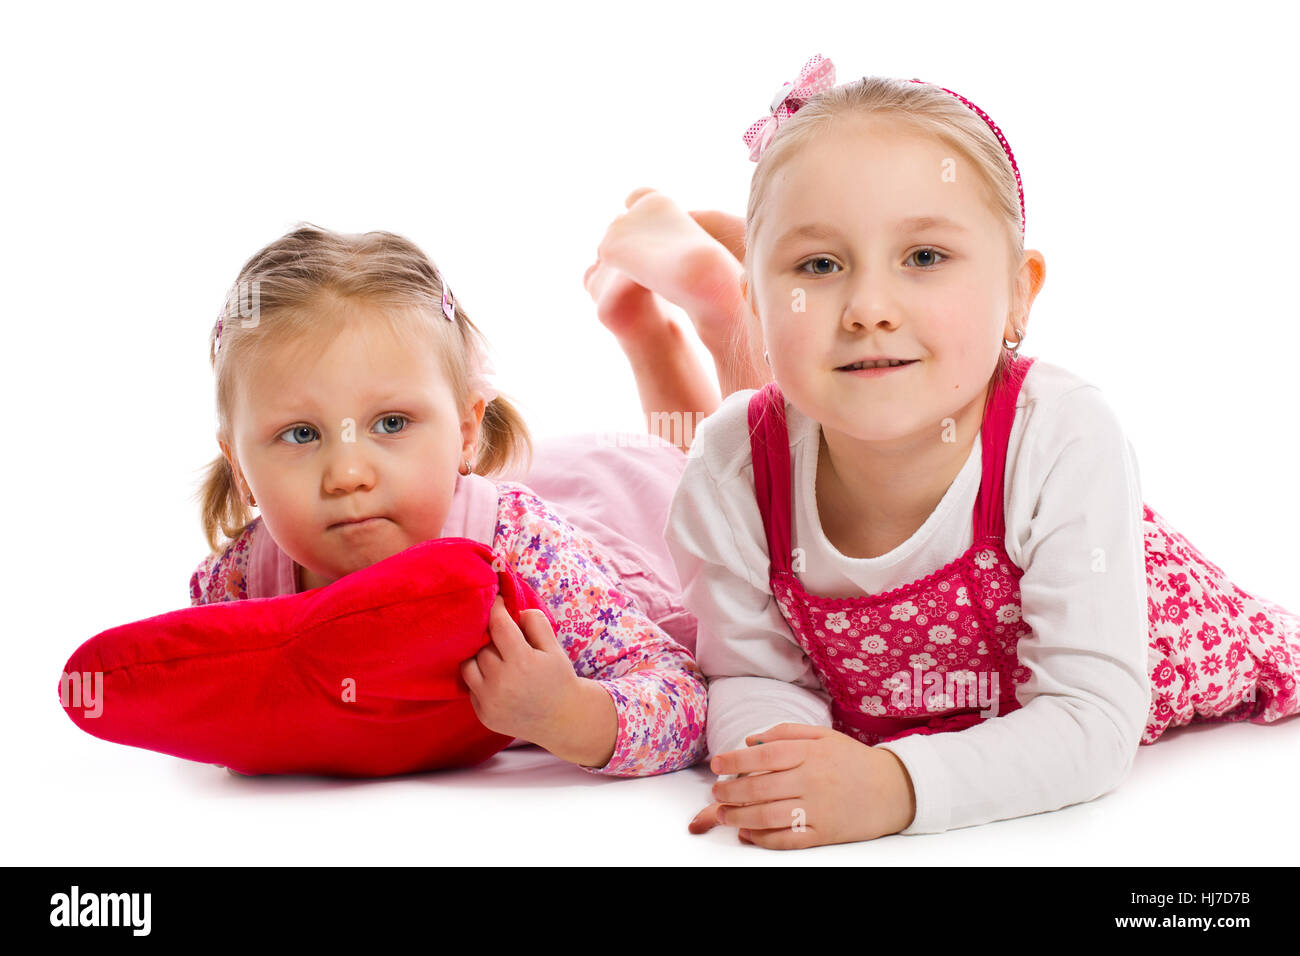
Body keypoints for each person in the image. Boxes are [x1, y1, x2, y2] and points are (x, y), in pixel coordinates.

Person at [585, 56, 1300, 846]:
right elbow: (754, 674)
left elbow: (1090, 718)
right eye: (818, 266)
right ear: (757, 307)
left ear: (1018, 293)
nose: (868, 309)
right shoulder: (729, 464)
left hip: (1163, 660)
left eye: (924, 257)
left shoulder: (1059, 432)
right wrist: (775, 770)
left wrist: (894, 787)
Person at [189, 223, 706, 778]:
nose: (347, 474)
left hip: (625, 505)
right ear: (240, 467)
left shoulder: (529, 552)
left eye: (390, 423)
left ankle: (669, 331)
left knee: (713, 461)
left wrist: (570, 714)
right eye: (300, 435)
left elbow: (688, 702)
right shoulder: (237, 585)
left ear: (465, 430)